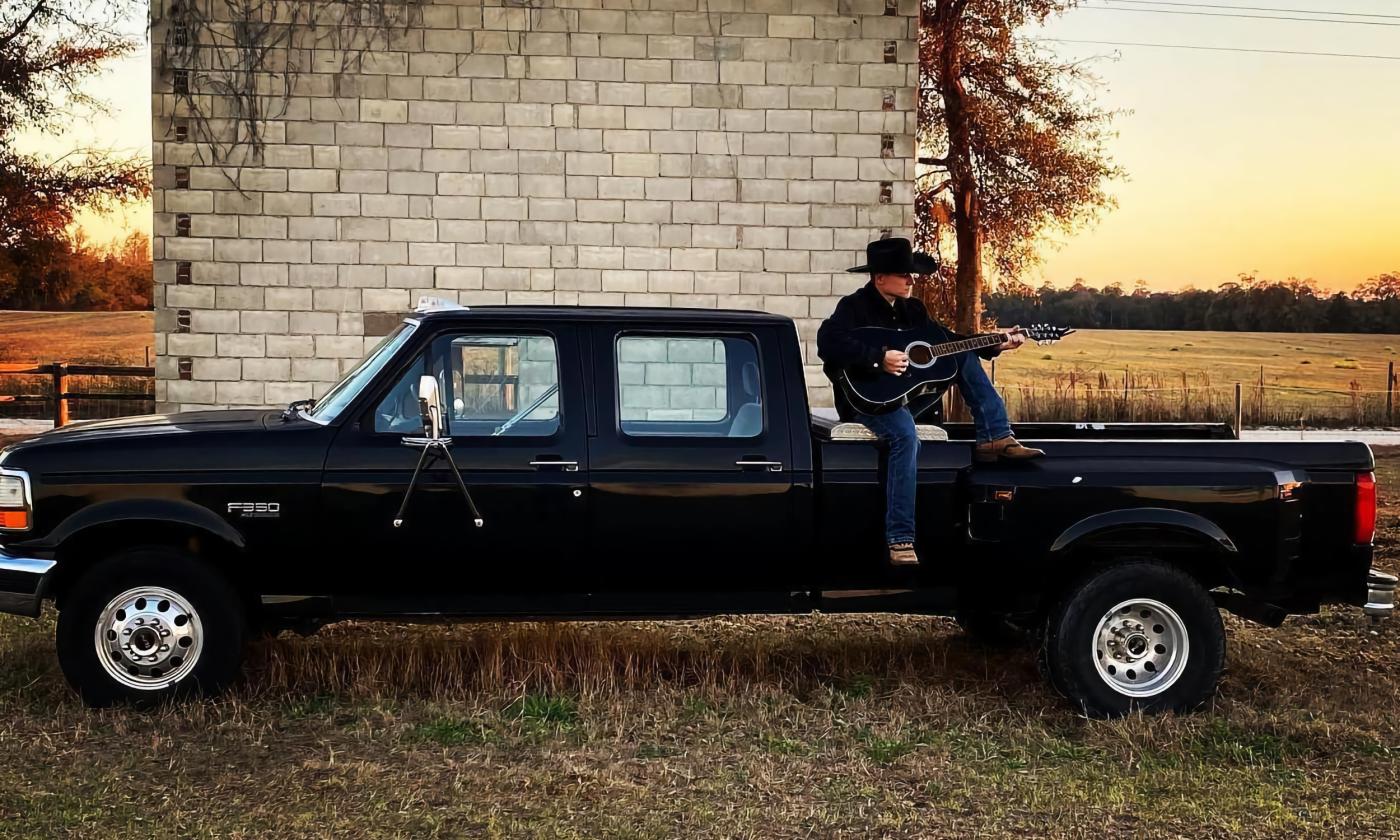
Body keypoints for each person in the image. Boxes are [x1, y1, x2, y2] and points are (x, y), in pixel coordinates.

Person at [817, 237, 1044, 567]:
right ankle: (900, 538)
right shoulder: (853, 307)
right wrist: (878, 358)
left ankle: (995, 435)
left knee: (962, 357)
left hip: (908, 396)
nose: (911, 280)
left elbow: (947, 342)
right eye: (904, 274)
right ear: (880, 277)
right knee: (905, 437)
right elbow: (828, 342)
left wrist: (996, 343)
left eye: (912, 274)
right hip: (867, 402)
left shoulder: (915, 310)